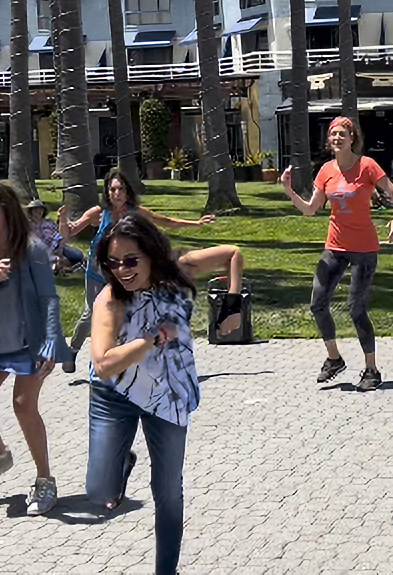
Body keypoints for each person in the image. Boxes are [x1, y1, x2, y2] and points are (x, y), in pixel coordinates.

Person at [85, 213, 246, 575]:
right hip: (116, 395)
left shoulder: (178, 273)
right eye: (113, 263)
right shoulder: (109, 300)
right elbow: (104, 364)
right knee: (99, 493)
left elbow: (233, 254)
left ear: (152, 255)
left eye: (130, 261)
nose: (122, 270)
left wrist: (231, 308)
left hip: (167, 396)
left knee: (168, 491)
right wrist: (151, 339)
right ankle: (120, 463)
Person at [0, 184, 71, 517]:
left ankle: (45, 481)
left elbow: (49, 298)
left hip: (32, 341)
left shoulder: (31, 248)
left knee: (23, 405)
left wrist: (51, 341)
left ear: (8, 213)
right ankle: (0, 454)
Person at [280, 117, 393, 391]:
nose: (337, 138)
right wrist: (289, 190)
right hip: (335, 247)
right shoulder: (326, 171)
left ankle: (372, 369)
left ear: (352, 139)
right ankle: (334, 359)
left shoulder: (367, 166)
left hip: (364, 248)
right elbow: (312, 209)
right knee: (318, 303)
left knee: (356, 308)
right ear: (330, 141)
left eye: (342, 134)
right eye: (333, 134)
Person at [60, 171, 216, 373]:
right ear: (107, 192)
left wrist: (195, 223)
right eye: (112, 189)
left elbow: (165, 221)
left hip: (125, 274)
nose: (117, 193)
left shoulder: (136, 213)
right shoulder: (99, 213)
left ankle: (123, 358)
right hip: (98, 273)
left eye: (121, 189)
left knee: (126, 313)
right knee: (92, 314)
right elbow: (69, 233)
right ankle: (72, 352)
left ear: (127, 191)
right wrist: (63, 220)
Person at [26, 199, 83, 273]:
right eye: (35, 210)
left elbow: (59, 236)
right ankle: (59, 265)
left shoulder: (49, 223)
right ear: (31, 212)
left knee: (78, 255)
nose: (38, 212)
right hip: (40, 249)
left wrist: (60, 248)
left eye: (40, 210)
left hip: (56, 246)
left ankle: (61, 265)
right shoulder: (27, 225)